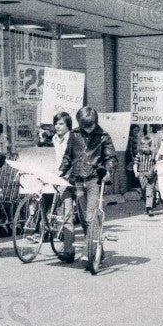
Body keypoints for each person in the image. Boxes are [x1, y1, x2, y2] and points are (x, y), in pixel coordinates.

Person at [58, 107, 118, 268]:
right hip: (77, 180)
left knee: (91, 217)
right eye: (85, 126)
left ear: (95, 122)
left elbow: (111, 158)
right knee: (85, 219)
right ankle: (98, 251)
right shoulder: (74, 134)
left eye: (90, 125)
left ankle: (87, 252)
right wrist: (60, 173)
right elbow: (68, 156)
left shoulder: (103, 136)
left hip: (94, 180)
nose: (88, 129)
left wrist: (108, 171)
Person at [132, 123, 162, 216]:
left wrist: (155, 169)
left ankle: (149, 208)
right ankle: (148, 204)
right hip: (142, 175)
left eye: (146, 147)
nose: (144, 149)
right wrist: (136, 171)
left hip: (151, 175)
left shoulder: (153, 154)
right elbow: (135, 164)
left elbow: (156, 163)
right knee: (144, 190)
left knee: (149, 190)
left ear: (150, 146)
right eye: (143, 147)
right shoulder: (139, 154)